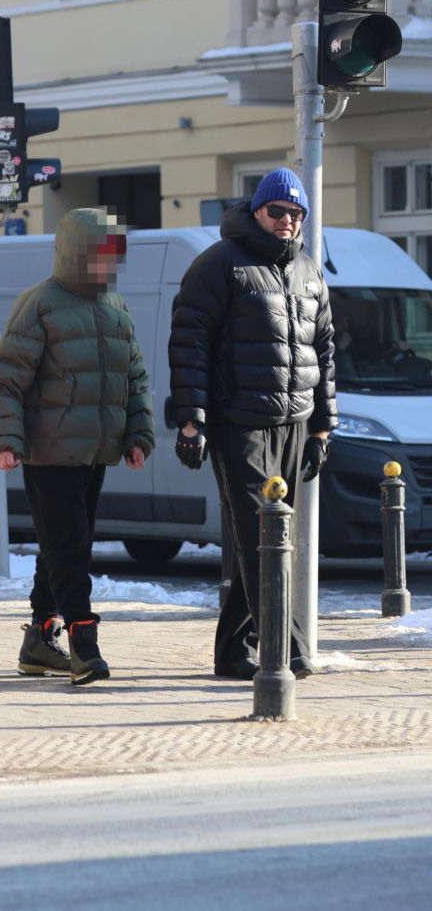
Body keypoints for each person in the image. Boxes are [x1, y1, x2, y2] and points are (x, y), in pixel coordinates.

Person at [168, 168, 337, 680]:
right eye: (277, 211)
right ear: (257, 211)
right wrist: (192, 420)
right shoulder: (218, 265)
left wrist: (323, 426)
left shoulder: (309, 270)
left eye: (295, 213)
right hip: (236, 420)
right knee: (262, 529)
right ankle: (285, 649)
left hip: (293, 422)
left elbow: (324, 350)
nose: (286, 221)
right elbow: (189, 345)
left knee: (260, 535)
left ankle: (231, 652)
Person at [0, 207, 154, 686]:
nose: (107, 264)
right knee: (71, 548)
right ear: (73, 253)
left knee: (59, 547)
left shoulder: (115, 307)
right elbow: (8, 380)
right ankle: (85, 645)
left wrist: (136, 436)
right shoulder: (40, 302)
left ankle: (40, 640)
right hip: (49, 453)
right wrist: (7, 441)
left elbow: (135, 377)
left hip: (95, 452)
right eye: (98, 253)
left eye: (112, 255)